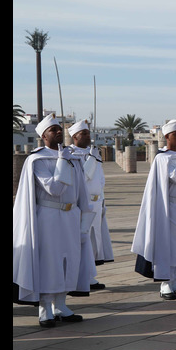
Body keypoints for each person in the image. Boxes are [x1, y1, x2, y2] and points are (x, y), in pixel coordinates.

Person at [13, 113, 96, 327]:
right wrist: (62, 161)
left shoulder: (72, 158)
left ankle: (61, 305)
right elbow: (54, 188)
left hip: (70, 216)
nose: (59, 131)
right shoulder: (37, 160)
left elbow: (81, 193)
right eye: (53, 130)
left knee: (69, 260)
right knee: (49, 262)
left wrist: (84, 221)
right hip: (48, 217)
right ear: (43, 136)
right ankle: (45, 308)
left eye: (60, 128)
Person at [132, 119, 176, 300]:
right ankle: (165, 283)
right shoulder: (163, 158)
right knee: (169, 246)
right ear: (167, 137)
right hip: (170, 209)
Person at [68, 120, 113, 291]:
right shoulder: (71, 154)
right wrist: (93, 159)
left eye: (88, 133)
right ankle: (81, 276)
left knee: (95, 241)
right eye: (84, 133)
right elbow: (84, 176)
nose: (88, 136)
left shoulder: (93, 153)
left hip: (96, 202)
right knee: (82, 241)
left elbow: (100, 180)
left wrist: (102, 201)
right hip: (82, 204)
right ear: (75, 136)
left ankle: (89, 275)